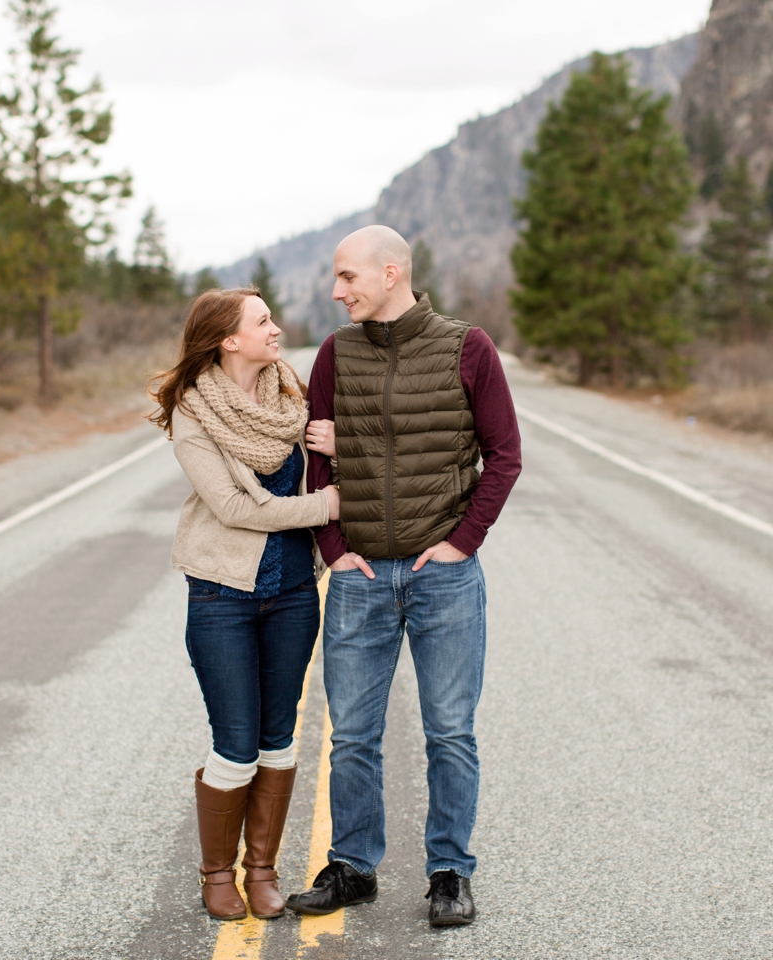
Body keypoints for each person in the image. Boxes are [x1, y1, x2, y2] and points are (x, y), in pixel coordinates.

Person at [285, 226, 522, 927]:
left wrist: (463, 543)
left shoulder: (467, 348)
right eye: (335, 278)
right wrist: (332, 548)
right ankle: (353, 867)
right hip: (359, 574)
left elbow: (503, 456)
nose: (337, 291)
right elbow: (318, 457)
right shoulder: (336, 353)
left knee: (450, 730)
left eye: (348, 277)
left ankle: (450, 871)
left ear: (391, 273)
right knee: (351, 734)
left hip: (442, 576)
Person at [149, 286, 341, 922]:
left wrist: (337, 453)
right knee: (234, 743)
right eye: (262, 322)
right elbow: (232, 509)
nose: (276, 329)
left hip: (291, 594)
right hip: (221, 596)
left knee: (278, 738)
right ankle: (215, 873)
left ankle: (262, 869)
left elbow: (323, 468)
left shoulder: (293, 399)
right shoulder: (193, 412)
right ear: (229, 340)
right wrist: (325, 508)